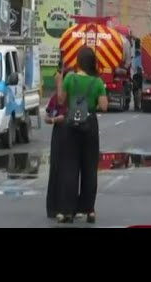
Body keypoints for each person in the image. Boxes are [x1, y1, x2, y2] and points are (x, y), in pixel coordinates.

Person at [55, 46, 108, 224]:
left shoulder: (70, 78)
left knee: (70, 167)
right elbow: (104, 106)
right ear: (93, 63)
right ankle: (89, 210)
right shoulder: (98, 82)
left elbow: (61, 100)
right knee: (90, 168)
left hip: (71, 125)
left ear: (78, 62)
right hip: (90, 125)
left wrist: (59, 81)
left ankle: (67, 212)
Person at [45, 68, 71, 219]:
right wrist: (52, 118)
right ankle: (53, 208)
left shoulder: (75, 97)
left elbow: (69, 115)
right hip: (59, 134)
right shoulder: (56, 98)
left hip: (72, 134)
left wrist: (55, 119)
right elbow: (49, 113)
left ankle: (66, 207)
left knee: (68, 172)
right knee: (55, 169)